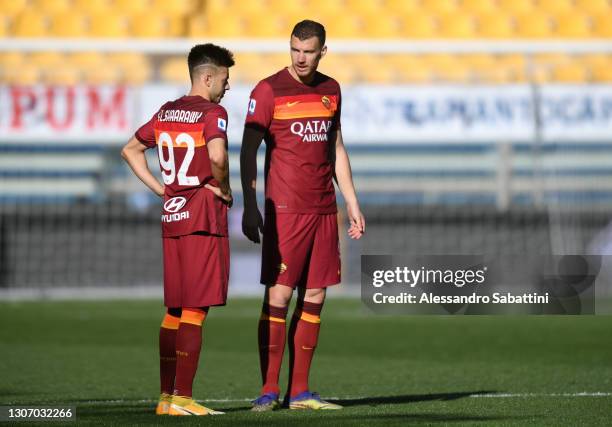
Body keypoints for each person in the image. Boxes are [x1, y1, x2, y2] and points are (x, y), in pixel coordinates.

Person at [240, 20, 365, 411]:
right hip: (285, 211)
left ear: (322, 52)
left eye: (308, 51)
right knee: (278, 295)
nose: (300, 57)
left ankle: (300, 392)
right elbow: (247, 150)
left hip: (324, 209)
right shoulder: (268, 90)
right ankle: (268, 388)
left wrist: (352, 203)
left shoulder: (332, 90)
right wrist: (250, 202)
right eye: (295, 49)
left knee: (315, 295)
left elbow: (337, 148)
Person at [121, 43, 234, 416]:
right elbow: (217, 156)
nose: (227, 86)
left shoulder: (167, 111)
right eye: (224, 78)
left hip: (172, 216)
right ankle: (184, 398)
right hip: (202, 216)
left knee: (174, 310)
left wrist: (160, 189)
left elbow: (130, 150)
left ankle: (166, 398)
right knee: (195, 310)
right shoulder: (212, 112)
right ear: (207, 76)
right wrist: (225, 187)